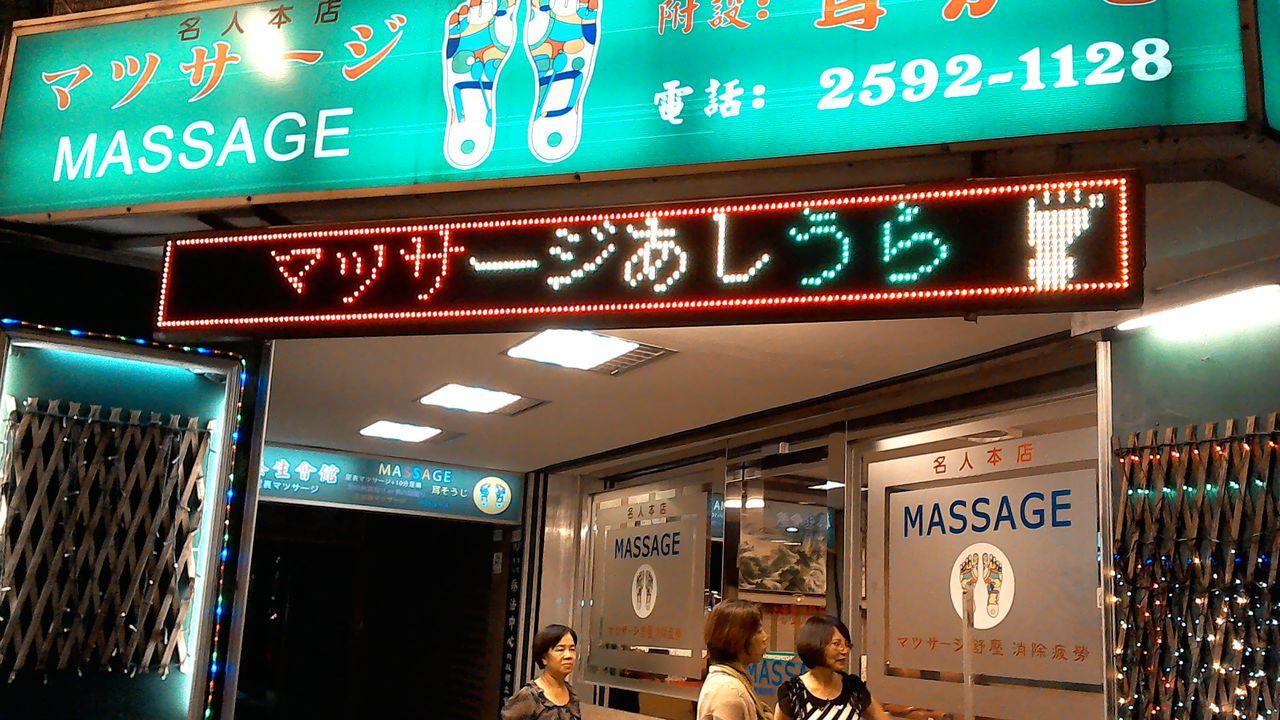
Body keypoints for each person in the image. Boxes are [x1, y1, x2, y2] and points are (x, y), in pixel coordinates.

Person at [774, 615, 890, 720]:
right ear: (816, 645)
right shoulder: (793, 693)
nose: (845, 651)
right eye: (836, 644)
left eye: (847, 644)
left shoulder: (853, 688)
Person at [697, 600, 773, 720]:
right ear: (736, 638)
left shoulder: (730, 682)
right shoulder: (728, 691)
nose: (765, 637)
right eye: (758, 631)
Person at [501, 624, 581, 720]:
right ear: (544, 658)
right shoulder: (529, 696)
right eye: (560, 649)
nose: (568, 656)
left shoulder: (571, 694)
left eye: (572, 649)